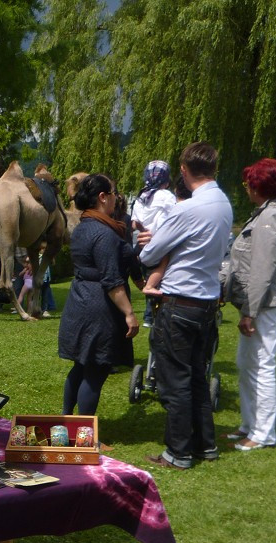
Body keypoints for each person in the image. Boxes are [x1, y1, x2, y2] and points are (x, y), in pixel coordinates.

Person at [138, 141, 234, 469]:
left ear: (183, 169)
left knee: (174, 379)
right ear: (214, 167)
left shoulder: (187, 208)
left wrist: (154, 240)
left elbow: (149, 255)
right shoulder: (224, 203)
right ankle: (204, 445)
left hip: (179, 303)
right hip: (207, 301)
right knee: (195, 376)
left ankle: (177, 452)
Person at [223, 158, 276, 452]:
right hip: (258, 304)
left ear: (259, 187)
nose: (246, 189)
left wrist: (250, 312)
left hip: (264, 304)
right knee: (246, 364)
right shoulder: (266, 213)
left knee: (263, 365)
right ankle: (248, 423)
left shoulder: (270, 217)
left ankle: (263, 432)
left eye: (248, 184)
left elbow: (263, 269)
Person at [57, 174, 140, 415]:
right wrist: (129, 313)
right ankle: (84, 432)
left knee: (81, 366)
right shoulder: (104, 234)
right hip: (98, 307)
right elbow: (112, 281)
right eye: (113, 194)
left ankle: (66, 422)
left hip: (79, 300)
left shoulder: (83, 227)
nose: (116, 199)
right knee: (95, 370)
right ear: (102, 197)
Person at [132, 160, 177, 326]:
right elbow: (175, 218)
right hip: (161, 243)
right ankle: (156, 314)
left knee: (148, 278)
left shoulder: (140, 197)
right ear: (165, 180)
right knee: (162, 277)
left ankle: (148, 315)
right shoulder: (166, 196)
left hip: (143, 246)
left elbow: (134, 223)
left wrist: (144, 228)